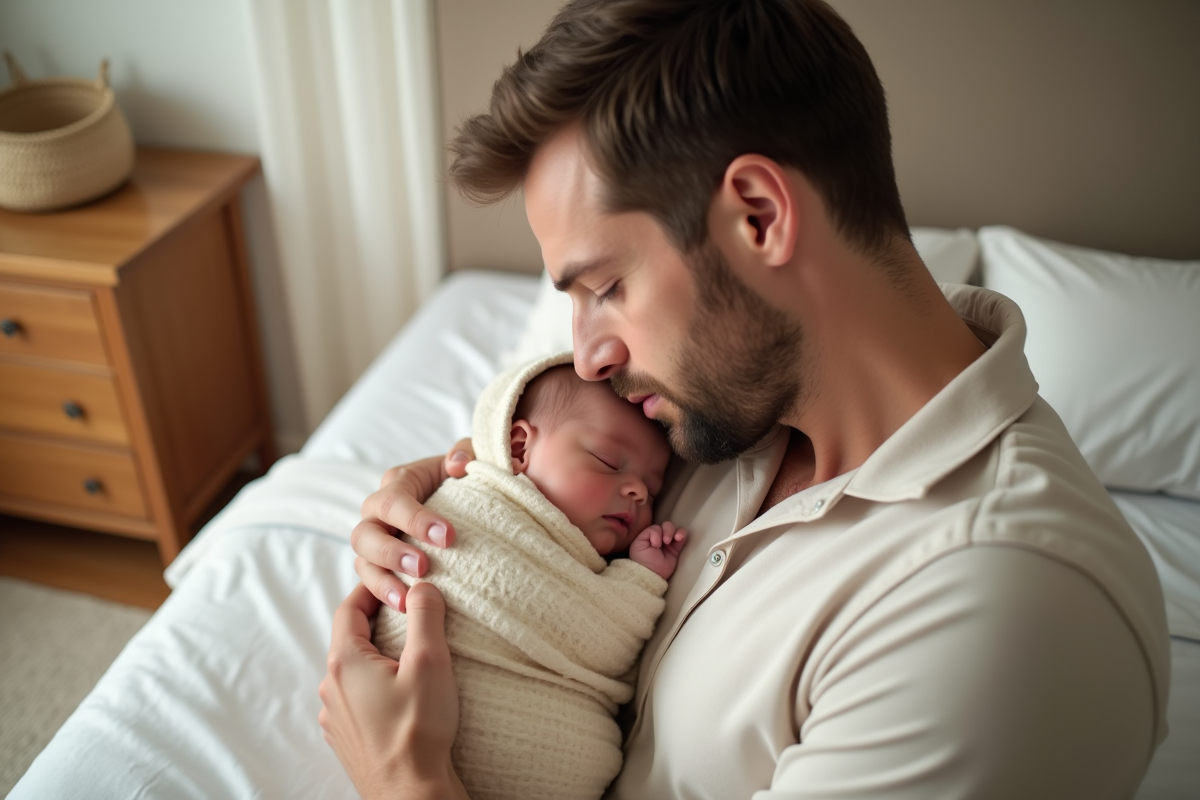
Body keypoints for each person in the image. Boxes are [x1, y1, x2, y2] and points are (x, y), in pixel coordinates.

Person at [318, 1, 1170, 798]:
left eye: (606, 286)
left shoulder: (998, 621)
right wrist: (442, 490)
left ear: (759, 218)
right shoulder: (722, 405)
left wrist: (408, 782)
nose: (588, 354)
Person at [371, 354, 686, 800]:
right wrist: (639, 584)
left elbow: (605, 642)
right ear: (519, 449)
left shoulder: (593, 564)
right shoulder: (463, 511)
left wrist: (640, 574)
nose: (637, 491)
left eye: (652, 490)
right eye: (608, 461)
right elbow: (598, 636)